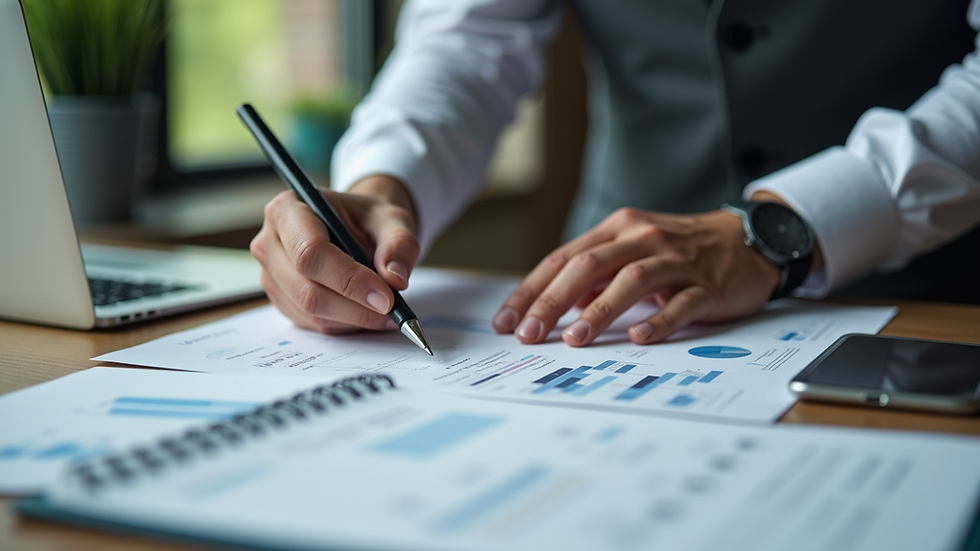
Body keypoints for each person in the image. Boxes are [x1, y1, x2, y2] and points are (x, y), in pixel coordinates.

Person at [250, 0, 980, 348]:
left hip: (932, 299)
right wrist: (383, 184)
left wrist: (790, 226)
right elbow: (470, 36)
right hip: (603, 307)